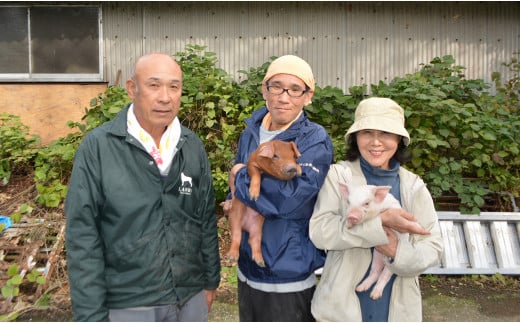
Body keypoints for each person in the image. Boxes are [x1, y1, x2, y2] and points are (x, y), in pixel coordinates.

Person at [65, 53, 221, 322]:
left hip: (190, 297)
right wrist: (90, 314)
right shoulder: (99, 147)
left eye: (174, 87)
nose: (165, 97)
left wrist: (210, 281)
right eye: (154, 85)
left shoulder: (191, 145)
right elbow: (82, 236)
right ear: (131, 88)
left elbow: (205, 218)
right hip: (129, 303)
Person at [309, 97, 443, 321]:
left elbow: (432, 247)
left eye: (386, 134)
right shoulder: (339, 176)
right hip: (339, 309)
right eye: (367, 133)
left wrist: (395, 252)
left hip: (398, 309)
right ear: (355, 138)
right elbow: (320, 232)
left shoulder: (413, 186)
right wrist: (380, 222)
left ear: (399, 139)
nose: (375, 142)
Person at [223, 54, 334, 321]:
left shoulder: (313, 139)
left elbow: (290, 197)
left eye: (295, 89)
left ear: (308, 96)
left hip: (287, 270)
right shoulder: (251, 130)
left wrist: (238, 177)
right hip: (248, 266)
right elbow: (240, 187)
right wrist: (233, 202)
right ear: (265, 89)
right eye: (276, 86)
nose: (284, 97)